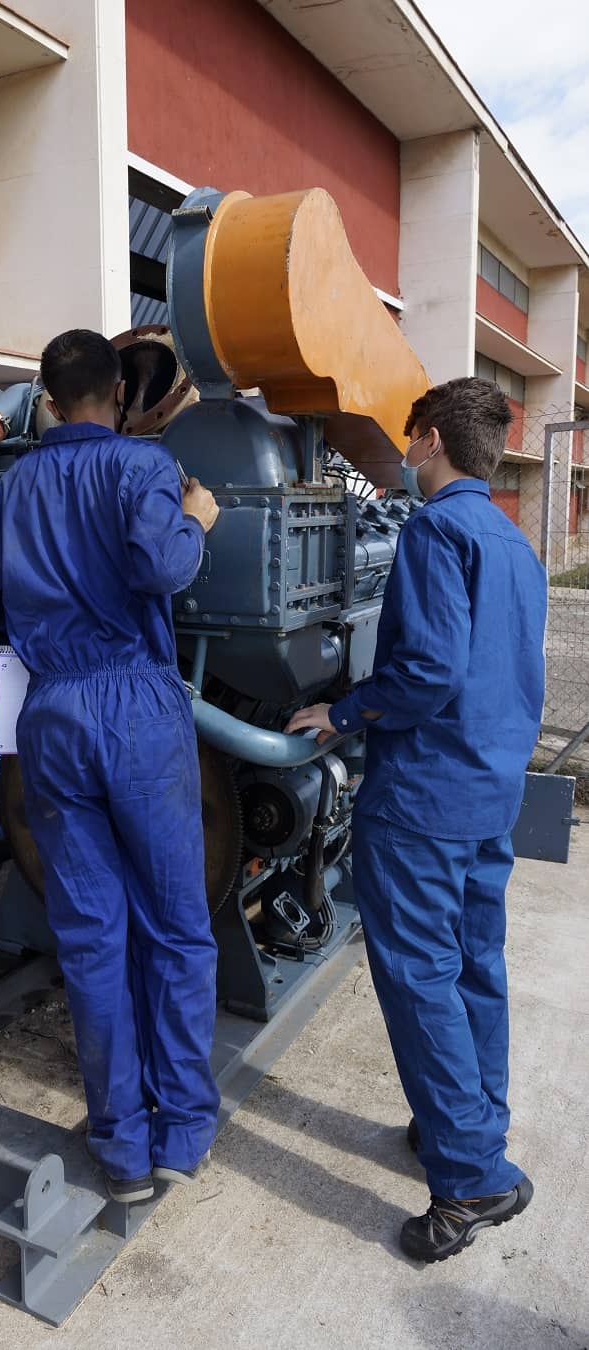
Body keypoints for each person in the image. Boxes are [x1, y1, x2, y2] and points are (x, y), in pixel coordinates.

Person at [0, 329, 221, 1203]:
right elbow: (161, 565)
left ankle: (122, 1148)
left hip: (52, 713)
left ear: (50, 398)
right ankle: (182, 1132)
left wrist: (19, 694)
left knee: (91, 936)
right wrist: (196, 520)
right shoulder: (144, 469)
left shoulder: (11, 486)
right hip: (135, 706)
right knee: (176, 925)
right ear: (120, 394)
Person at [287, 378, 546, 1261]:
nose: (402, 455)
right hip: (489, 789)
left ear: (428, 439)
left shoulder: (436, 530)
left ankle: (471, 1180)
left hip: (426, 798)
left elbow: (429, 672)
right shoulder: (512, 542)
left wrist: (346, 713)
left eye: (405, 441)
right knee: (475, 965)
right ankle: (473, 1127)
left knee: (420, 978)